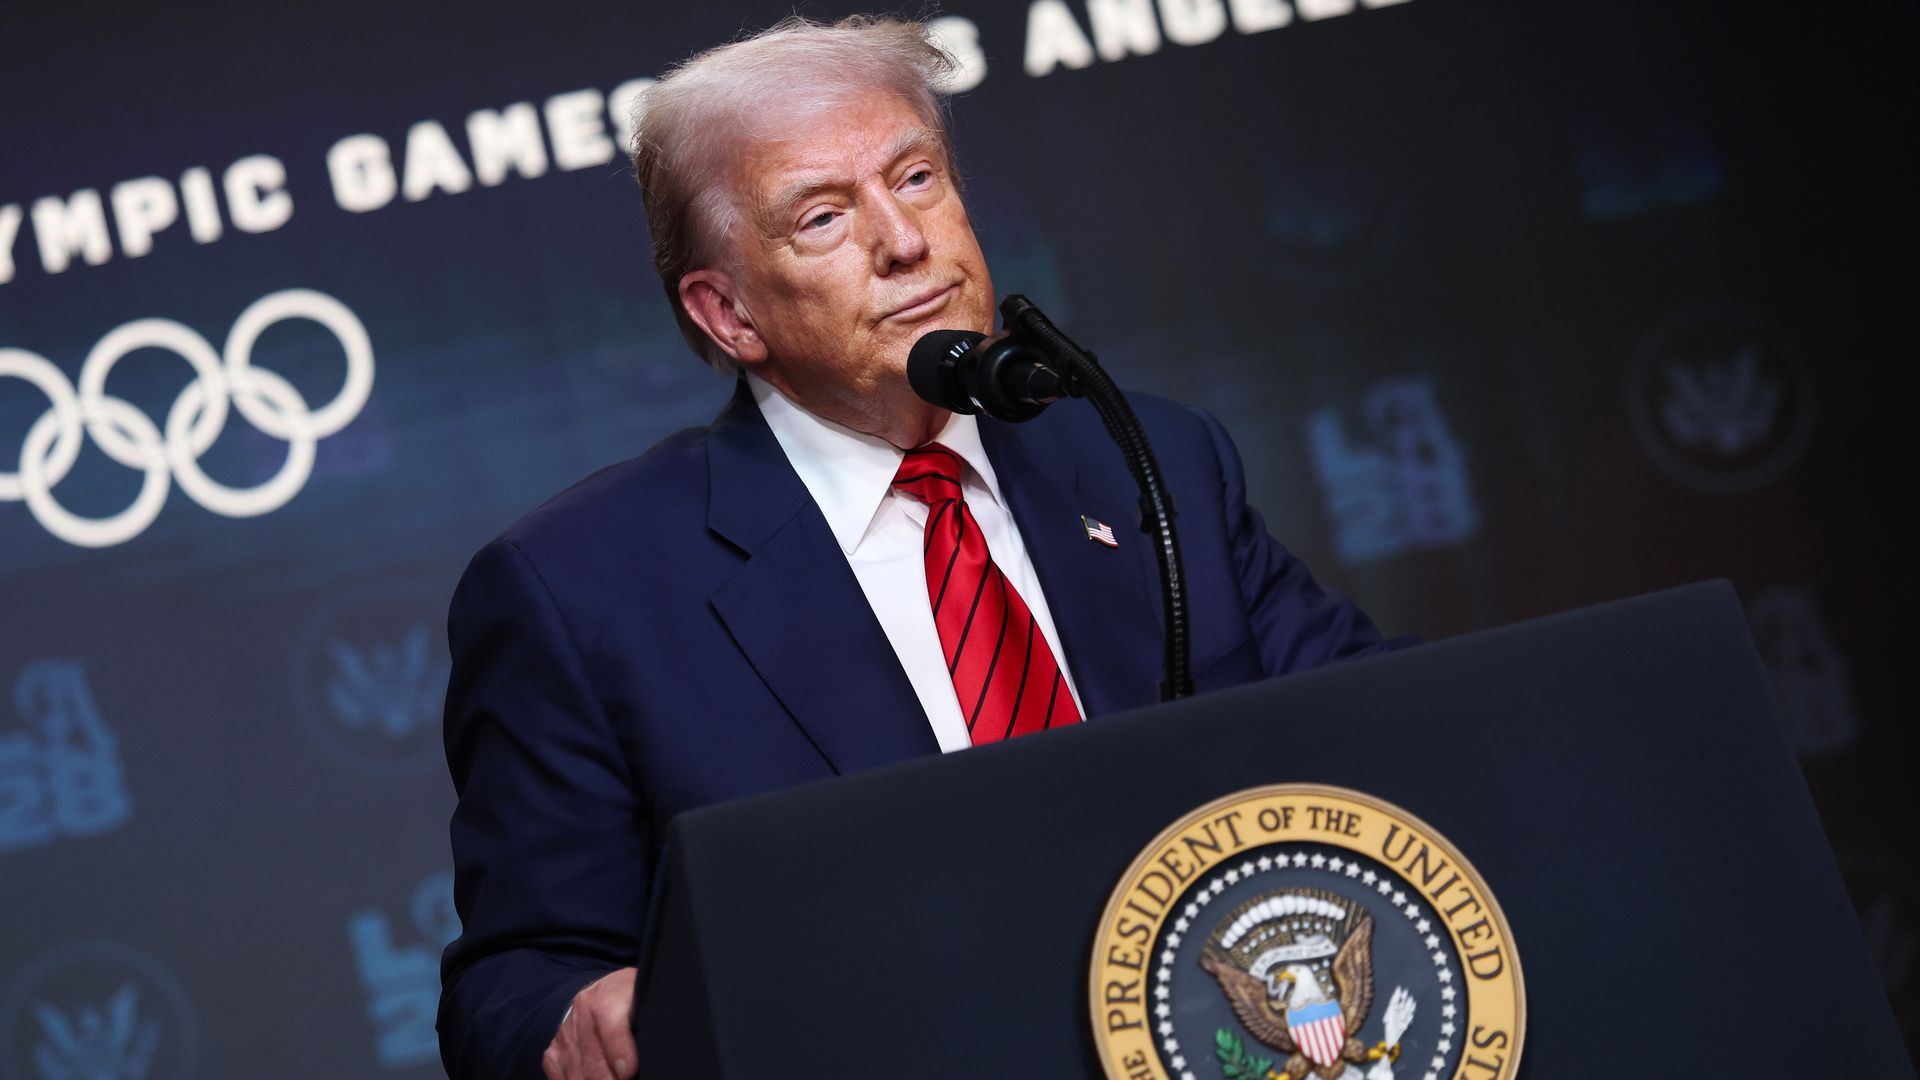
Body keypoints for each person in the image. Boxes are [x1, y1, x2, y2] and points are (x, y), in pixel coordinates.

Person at [437, 16, 1399, 1080]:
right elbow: (515, 982)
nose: (904, 241)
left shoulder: (1147, 456)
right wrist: (580, 1016)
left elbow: (1380, 732)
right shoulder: (581, 590)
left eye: (918, 177)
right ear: (728, 313)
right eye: (822, 218)